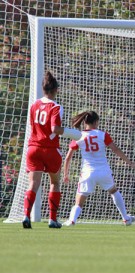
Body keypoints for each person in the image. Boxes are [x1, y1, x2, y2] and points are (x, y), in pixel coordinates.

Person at [22, 71, 83, 229]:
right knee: (54, 183)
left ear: (43, 89)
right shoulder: (56, 107)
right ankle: (52, 219)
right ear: (56, 90)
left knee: (33, 184)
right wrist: (73, 133)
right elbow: (55, 129)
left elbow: (33, 126)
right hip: (49, 150)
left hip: (33, 148)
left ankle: (26, 216)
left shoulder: (34, 105)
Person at [62, 111, 135, 226]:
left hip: (87, 173)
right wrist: (129, 162)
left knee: (79, 202)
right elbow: (115, 149)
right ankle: (125, 218)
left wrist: (65, 174)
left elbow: (68, 157)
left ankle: (72, 220)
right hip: (103, 171)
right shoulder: (102, 134)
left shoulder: (78, 136)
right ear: (96, 122)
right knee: (113, 191)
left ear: (85, 122)